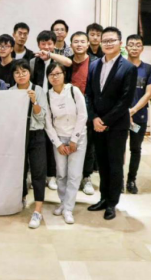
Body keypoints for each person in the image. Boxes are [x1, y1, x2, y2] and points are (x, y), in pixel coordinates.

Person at [86, 27, 138, 221]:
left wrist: (105, 121)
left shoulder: (128, 68)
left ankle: (112, 203)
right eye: (105, 40)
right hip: (97, 124)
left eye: (111, 40)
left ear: (120, 43)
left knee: (115, 164)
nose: (108, 44)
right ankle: (103, 198)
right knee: (102, 164)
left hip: (116, 126)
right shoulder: (94, 65)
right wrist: (94, 118)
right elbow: (89, 95)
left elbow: (125, 101)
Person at [44, 63, 88, 225]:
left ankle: (68, 208)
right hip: (59, 138)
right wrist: (57, 143)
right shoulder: (47, 95)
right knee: (61, 174)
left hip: (78, 137)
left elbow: (83, 115)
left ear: (64, 74)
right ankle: (63, 202)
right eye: (51, 74)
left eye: (58, 73)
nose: (55, 77)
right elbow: (48, 122)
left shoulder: (73, 91)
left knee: (74, 175)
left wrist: (74, 139)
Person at [30, 31, 72, 191]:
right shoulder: (33, 61)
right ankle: (39, 175)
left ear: (54, 44)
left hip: (56, 104)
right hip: (39, 105)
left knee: (54, 140)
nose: (46, 47)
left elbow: (69, 63)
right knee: (40, 141)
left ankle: (52, 175)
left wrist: (50, 55)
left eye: (49, 43)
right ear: (38, 44)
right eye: (43, 43)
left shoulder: (58, 61)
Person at [10, 60, 48, 230]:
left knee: (38, 171)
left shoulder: (38, 90)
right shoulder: (10, 92)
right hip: (18, 135)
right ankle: (21, 198)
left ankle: (38, 210)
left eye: (24, 71)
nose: (21, 75)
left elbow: (42, 117)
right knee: (19, 170)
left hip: (36, 134)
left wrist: (34, 102)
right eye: (17, 72)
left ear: (29, 73)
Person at [65, 32, 97, 196]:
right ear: (71, 45)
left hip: (89, 109)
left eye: (82, 42)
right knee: (69, 142)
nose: (79, 45)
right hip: (69, 109)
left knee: (88, 144)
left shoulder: (95, 63)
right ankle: (70, 177)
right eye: (76, 42)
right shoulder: (67, 63)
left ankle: (86, 177)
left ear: (87, 44)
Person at [126, 34, 151, 195]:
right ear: (126, 47)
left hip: (139, 116)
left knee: (135, 149)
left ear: (142, 48)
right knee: (117, 149)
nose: (134, 47)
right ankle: (116, 180)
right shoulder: (120, 66)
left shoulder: (148, 69)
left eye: (138, 45)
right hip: (120, 116)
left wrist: (133, 110)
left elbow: (148, 93)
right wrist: (125, 111)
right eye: (131, 44)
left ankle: (131, 180)